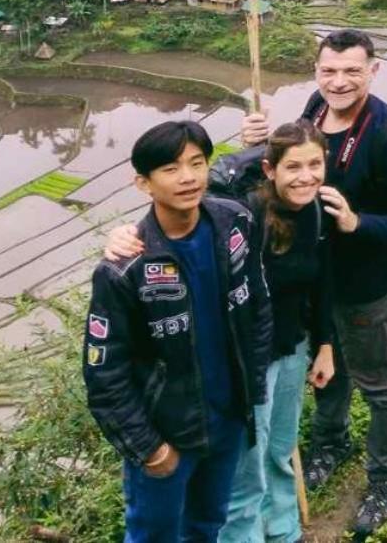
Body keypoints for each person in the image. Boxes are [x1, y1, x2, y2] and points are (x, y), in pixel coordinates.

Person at [237, 30, 387, 538]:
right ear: (316, 71)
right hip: (310, 279)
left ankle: (384, 479)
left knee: (379, 384)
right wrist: (260, 140)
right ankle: (331, 443)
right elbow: (280, 170)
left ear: (373, 70)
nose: (339, 82)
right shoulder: (312, 114)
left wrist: (357, 223)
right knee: (328, 365)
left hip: (365, 284)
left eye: (351, 71)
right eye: (329, 71)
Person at [106, 121, 338, 543]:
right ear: (270, 170)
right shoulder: (243, 216)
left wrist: (324, 344)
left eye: (315, 164)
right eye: (292, 167)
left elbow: (306, 287)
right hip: (235, 375)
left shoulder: (304, 212)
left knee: (276, 456)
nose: (305, 176)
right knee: (237, 486)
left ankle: (284, 533)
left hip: (278, 357)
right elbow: (106, 376)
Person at [84, 120, 271, 543]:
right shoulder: (125, 268)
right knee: (155, 537)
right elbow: (103, 373)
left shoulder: (235, 223)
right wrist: (149, 449)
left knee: (207, 527)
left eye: (197, 163)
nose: (188, 178)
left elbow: (257, 305)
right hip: (168, 436)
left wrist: (252, 390)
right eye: (170, 169)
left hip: (226, 423)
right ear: (143, 184)